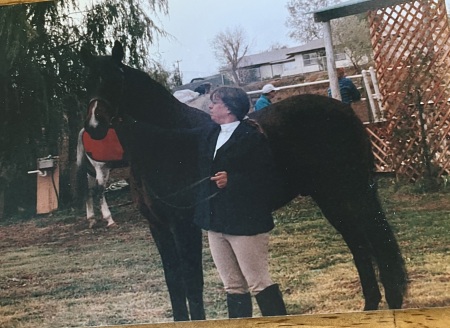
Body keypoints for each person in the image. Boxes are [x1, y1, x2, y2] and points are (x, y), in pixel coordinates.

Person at [195, 86, 287, 318]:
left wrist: (233, 180)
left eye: (214, 103)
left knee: (258, 282)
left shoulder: (252, 138)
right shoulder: (211, 135)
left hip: (246, 223)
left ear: (228, 108)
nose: (210, 106)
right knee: (233, 286)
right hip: (216, 223)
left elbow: (267, 178)